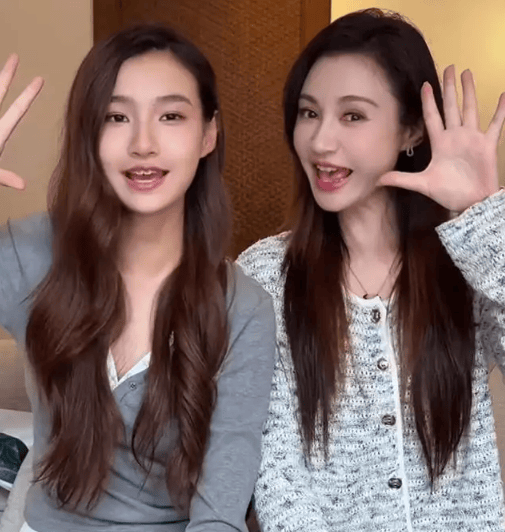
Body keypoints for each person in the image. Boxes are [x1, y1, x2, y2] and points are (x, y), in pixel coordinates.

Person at [237, 8, 505, 531]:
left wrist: (483, 218)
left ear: (410, 129)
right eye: (309, 113)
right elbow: (274, 473)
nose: (320, 141)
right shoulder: (265, 275)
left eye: (353, 116)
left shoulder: (466, 257)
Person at [0, 24, 275, 531]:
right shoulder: (32, 253)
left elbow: (220, 507)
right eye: (116, 116)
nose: (143, 143)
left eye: (171, 116)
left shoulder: (243, 307)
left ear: (208, 134)